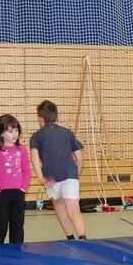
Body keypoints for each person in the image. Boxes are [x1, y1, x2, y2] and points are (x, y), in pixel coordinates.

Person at [30, 100, 86, 240]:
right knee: (74, 210)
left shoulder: (36, 136)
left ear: (41, 119)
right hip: (69, 174)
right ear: (56, 117)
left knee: (59, 207)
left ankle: (70, 237)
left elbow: (35, 159)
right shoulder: (67, 133)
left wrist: (42, 179)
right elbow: (79, 157)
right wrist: (75, 175)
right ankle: (83, 237)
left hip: (51, 178)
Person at [0, 114, 31, 244]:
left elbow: (26, 170)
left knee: (17, 226)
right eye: (10, 131)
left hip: (18, 193)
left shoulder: (21, 149)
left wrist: (23, 188)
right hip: (2, 194)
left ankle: (17, 252)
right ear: (1, 133)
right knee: (0, 226)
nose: (14, 134)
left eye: (16, 130)